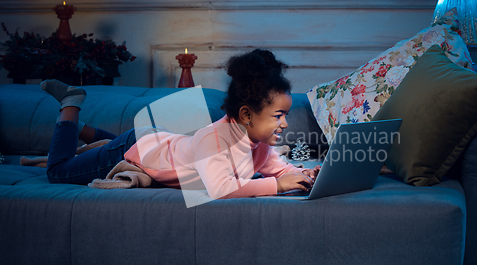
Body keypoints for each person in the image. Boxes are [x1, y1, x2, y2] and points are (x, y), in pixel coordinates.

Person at [42, 49, 320, 199]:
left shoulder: (258, 145)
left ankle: (78, 130)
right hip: (135, 149)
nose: (284, 123)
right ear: (247, 115)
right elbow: (221, 188)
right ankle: (70, 105)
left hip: (153, 142)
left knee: (114, 144)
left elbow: (280, 169)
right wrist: (277, 187)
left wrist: (306, 174)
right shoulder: (214, 140)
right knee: (57, 171)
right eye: (278, 115)